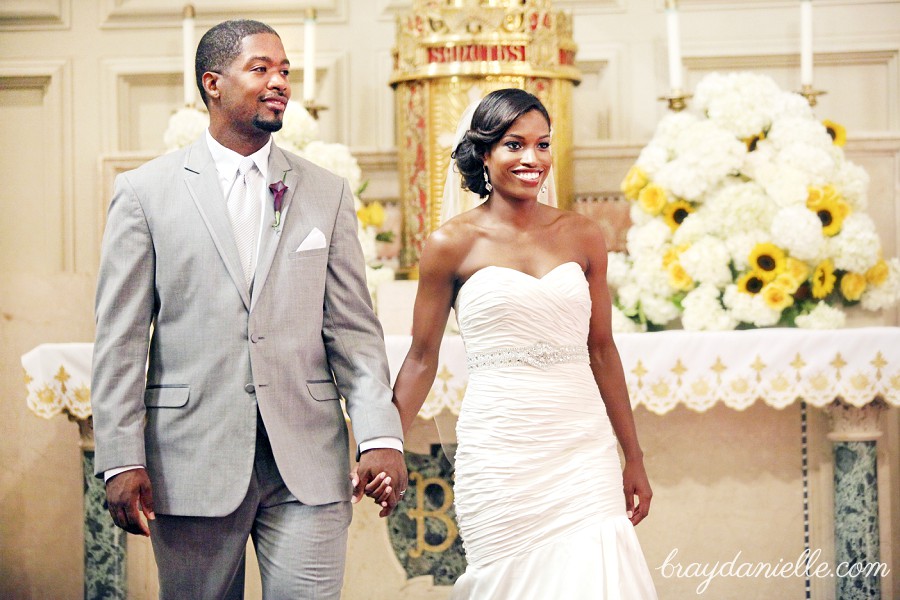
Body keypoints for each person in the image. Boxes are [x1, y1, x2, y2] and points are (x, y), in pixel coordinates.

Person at [91, 19, 406, 599]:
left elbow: (354, 331)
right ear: (212, 82)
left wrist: (380, 435)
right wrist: (119, 458)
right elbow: (121, 338)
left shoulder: (325, 191)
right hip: (190, 459)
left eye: (284, 70)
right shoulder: (145, 193)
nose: (279, 81)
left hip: (307, 460)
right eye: (260, 68)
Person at [389, 88, 658, 598]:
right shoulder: (451, 244)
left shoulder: (583, 235)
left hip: (583, 447)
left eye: (543, 144)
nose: (532, 159)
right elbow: (422, 358)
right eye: (515, 145)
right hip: (501, 447)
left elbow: (602, 349)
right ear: (484, 153)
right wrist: (384, 443)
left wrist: (634, 456)